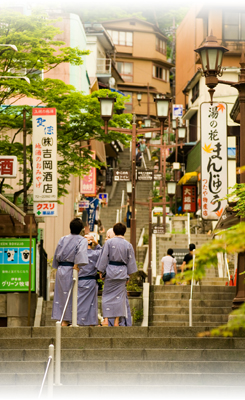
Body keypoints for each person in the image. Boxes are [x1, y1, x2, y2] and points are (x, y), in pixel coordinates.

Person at [96, 222, 137, 326]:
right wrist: (129, 275)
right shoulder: (128, 245)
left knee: (106, 296)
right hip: (122, 272)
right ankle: (116, 321)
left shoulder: (109, 243)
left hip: (110, 271)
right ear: (124, 232)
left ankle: (106, 319)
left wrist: (101, 271)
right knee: (120, 298)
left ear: (114, 231)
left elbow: (104, 257)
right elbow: (131, 262)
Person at [51, 218, 88, 326]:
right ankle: (66, 320)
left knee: (61, 295)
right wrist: (77, 265)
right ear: (81, 229)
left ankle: (63, 319)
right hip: (72, 269)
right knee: (71, 294)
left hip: (61, 269)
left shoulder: (62, 239)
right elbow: (81, 253)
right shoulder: (82, 240)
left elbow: (56, 255)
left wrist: (58, 267)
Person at [77, 234, 102, 326]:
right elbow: (103, 252)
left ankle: (78, 321)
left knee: (79, 302)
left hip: (80, 281)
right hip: (91, 281)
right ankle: (91, 323)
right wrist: (97, 244)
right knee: (91, 304)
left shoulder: (79, 253)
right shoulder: (95, 253)